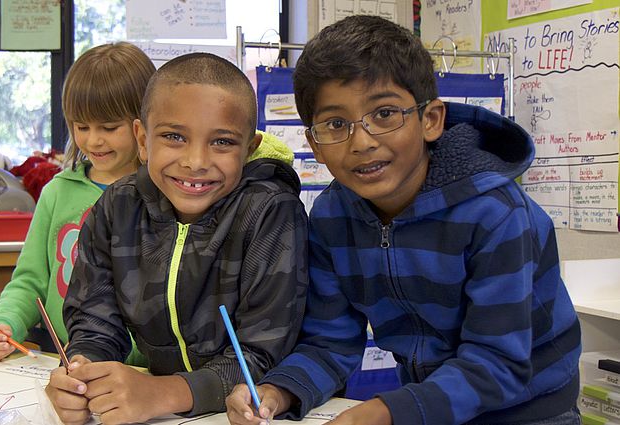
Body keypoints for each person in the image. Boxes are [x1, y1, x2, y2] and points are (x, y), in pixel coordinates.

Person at [225, 15, 582, 425]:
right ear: (315, 145)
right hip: (431, 404)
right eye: (336, 124)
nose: (362, 142)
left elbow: (497, 362)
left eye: (385, 114)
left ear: (430, 120)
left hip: (529, 409)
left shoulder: (496, 213)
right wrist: (278, 391)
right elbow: (329, 342)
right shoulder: (330, 216)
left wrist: (389, 409)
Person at [46, 52, 309, 425]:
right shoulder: (116, 208)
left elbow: (263, 355)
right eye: (174, 137)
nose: (195, 161)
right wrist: (83, 374)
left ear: (249, 150)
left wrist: (163, 393)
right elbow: (94, 322)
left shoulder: (270, 213)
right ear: (142, 139)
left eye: (222, 143)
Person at [0, 42, 156, 362]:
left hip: (146, 373)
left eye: (109, 127)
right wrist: (6, 322)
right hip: (70, 360)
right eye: (81, 126)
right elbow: (31, 281)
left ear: (143, 125)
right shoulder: (57, 193)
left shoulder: (164, 194)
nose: (93, 140)